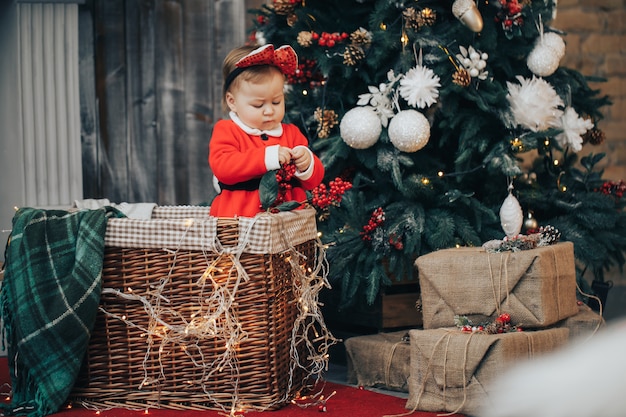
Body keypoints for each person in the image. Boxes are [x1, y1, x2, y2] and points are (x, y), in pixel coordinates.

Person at [208, 44, 324, 218]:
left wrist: (307, 163)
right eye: (258, 105)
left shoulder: (291, 133)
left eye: (276, 102)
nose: (269, 111)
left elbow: (313, 181)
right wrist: (266, 157)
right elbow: (223, 167)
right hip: (240, 220)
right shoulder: (228, 130)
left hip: (288, 224)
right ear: (232, 102)